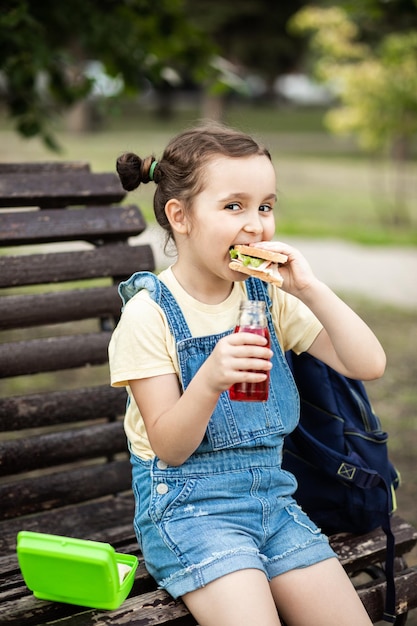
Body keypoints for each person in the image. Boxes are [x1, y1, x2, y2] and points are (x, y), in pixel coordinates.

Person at [109, 122, 385, 626]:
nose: (256, 224)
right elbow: (169, 446)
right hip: (191, 514)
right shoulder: (150, 314)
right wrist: (210, 378)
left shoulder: (267, 297)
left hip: (274, 503)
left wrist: (310, 289)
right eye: (234, 206)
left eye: (266, 206)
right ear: (181, 216)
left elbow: (368, 364)